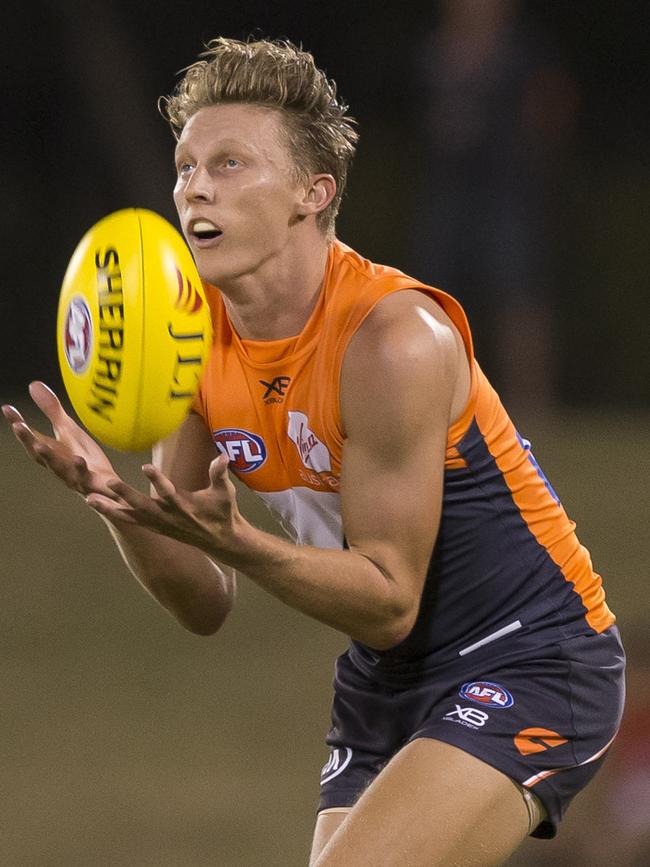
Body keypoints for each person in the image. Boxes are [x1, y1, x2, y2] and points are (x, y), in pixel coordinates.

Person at [2, 38, 624, 866]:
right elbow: (203, 603)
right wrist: (116, 503)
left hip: (534, 651)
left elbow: (390, 595)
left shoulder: (391, 340)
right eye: (187, 165)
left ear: (312, 192)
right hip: (385, 677)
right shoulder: (189, 337)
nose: (194, 186)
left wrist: (241, 542)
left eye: (229, 163)